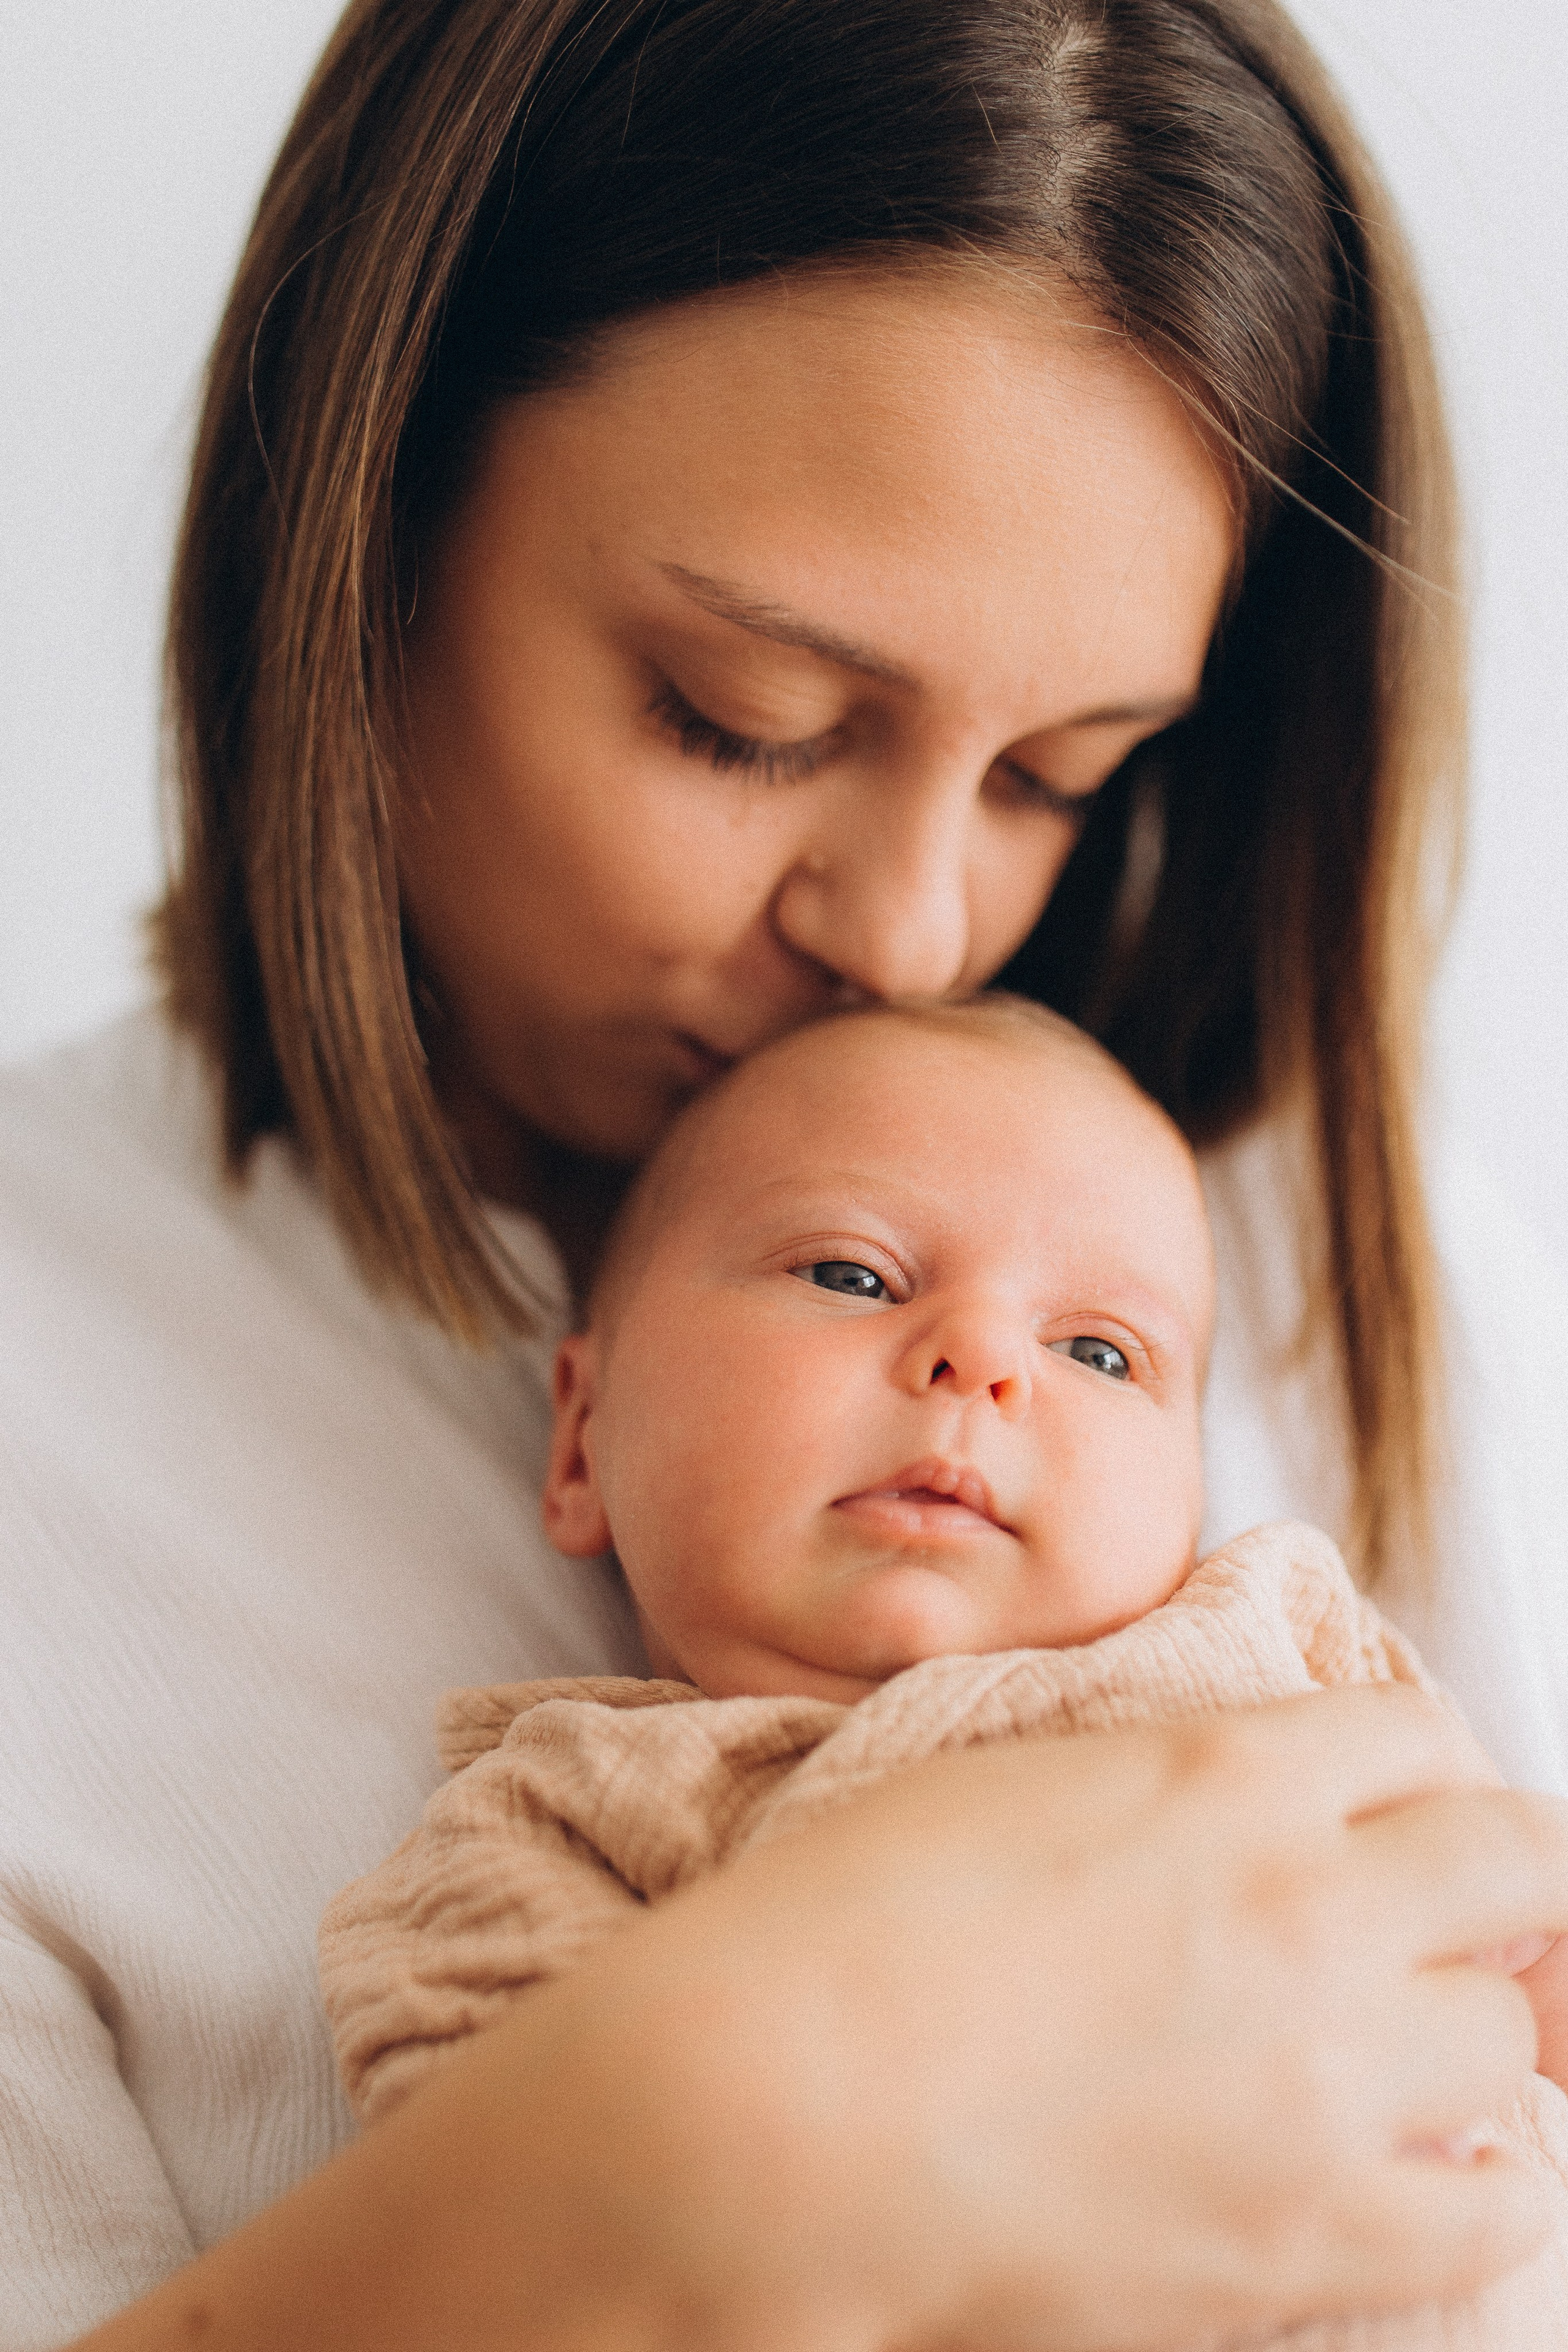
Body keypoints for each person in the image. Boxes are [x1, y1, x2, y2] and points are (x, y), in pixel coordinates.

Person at [3, 1, 1568, 2347]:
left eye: (1056, 776)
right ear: (365, 521)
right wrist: (699, 2145)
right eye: (748, 721)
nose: (915, 936)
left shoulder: (1351, 1259)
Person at [315, 996, 1568, 2351]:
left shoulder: (1279, 1640)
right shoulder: (564, 1811)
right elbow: (515, 2229)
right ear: (581, 1440)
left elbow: (1523, 1948)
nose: (981, 1361)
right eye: (850, 1276)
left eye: (1098, 1352)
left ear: (1190, 1504)